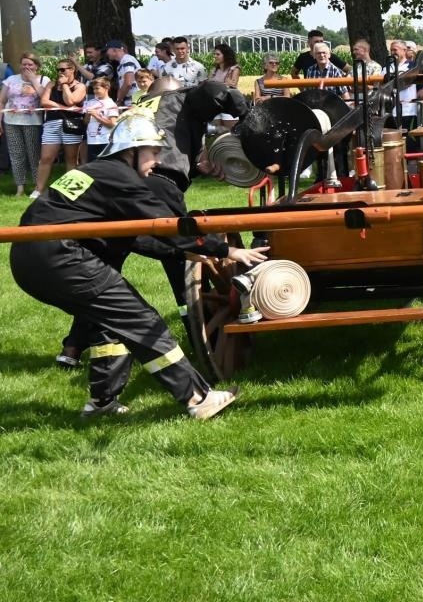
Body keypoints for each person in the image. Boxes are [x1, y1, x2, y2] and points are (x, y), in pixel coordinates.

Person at [11, 111, 268, 419]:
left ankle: (101, 404)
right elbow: (168, 225)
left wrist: (183, 254)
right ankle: (198, 398)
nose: (157, 161)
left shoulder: (97, 172)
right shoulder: (121, 178)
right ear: (130, 151)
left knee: (108, 324)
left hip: (28, 260)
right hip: (63, 258)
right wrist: (225, 249)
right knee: (142, 320)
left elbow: (131, 238)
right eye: (153, 152)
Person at [36, 55, 87, 195]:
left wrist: (64, 85)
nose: (60, 72)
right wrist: (62, 107)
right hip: (52, 124)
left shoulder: (80, 86)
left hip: (72, 124)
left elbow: (71, 101)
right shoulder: (51, 84)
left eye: (63, 69)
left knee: (71, 159)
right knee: (46, 158)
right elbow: (44, 102)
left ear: (72, 70)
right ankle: (38, 190)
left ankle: (70, 191)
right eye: (58, 69)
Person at [83, 76, 118, 161]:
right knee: (93, 167)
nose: (95, 91)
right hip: (91, 141)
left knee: (105, 166)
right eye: (94, 89)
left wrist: (96, 115)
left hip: (105, 141)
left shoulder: (111, 104)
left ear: (106, 88)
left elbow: (112, 124)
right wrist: (88, 115)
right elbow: (85, 122)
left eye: (97, 88)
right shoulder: (90, 103)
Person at [103, 39, 140, 105]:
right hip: (131, 101)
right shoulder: (121, 64)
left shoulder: (127, 60)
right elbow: (123, 85)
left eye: (107, 50)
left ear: (114, 50)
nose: (106, 53)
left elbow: (128, 83)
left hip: (135, 100)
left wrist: (119, 100)